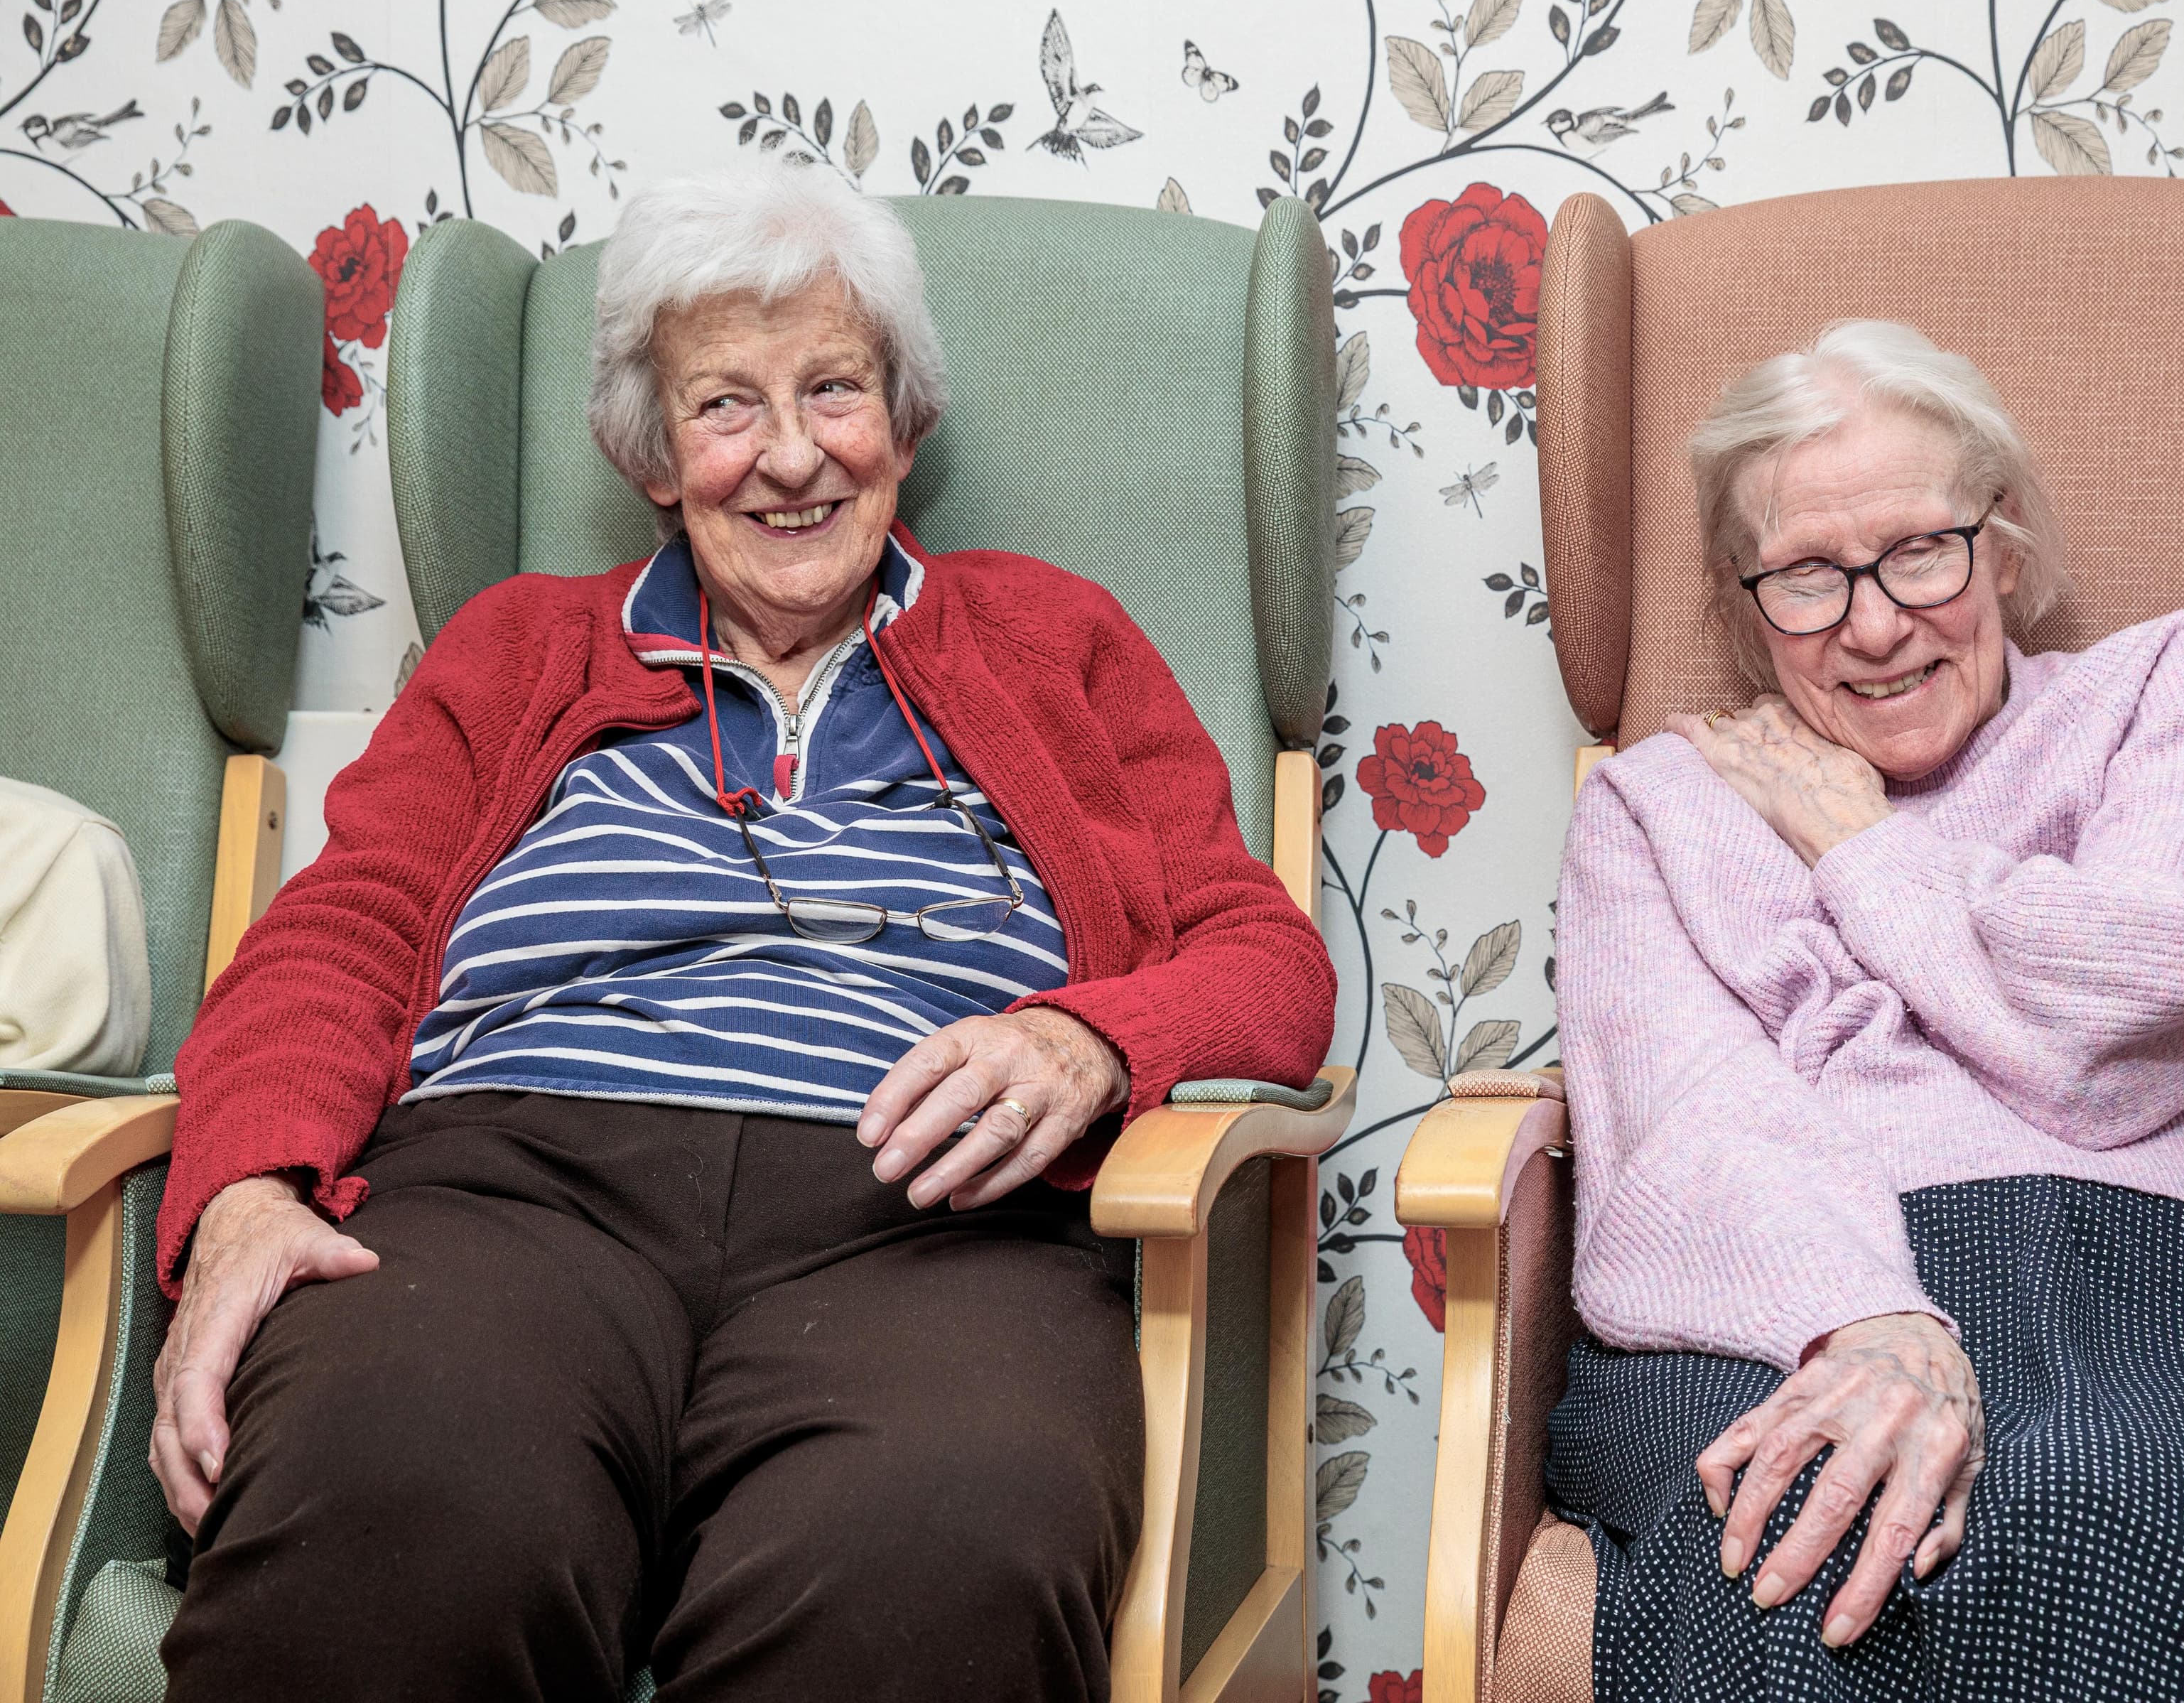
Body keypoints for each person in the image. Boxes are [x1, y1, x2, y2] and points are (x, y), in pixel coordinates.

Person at [147, 165, 1335, 1702]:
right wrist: (245, 1185)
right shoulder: (519, 650)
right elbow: (337, 936)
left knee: (936, 1554)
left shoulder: (1056, 640)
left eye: (834, 389)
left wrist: (1092, 1037)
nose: (789, 456)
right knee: (393, 1502)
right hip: (509, 1192)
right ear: (654, 454)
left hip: (933, 1223)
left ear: (905, 423)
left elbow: (1266, 959)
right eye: (724, 406)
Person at [1546, 320, 2184, 1701]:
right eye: (1810, 577)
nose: (1876, 623)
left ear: (2001, 543)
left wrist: (1861, 851)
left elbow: (2114, 1018)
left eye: (1922, 551)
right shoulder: (1662, 804)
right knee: (1798, 1551)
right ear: (1745, 600)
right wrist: (1860, 1316)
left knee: (2083, 1508)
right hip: (1781, 1289)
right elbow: (1686, 1115)